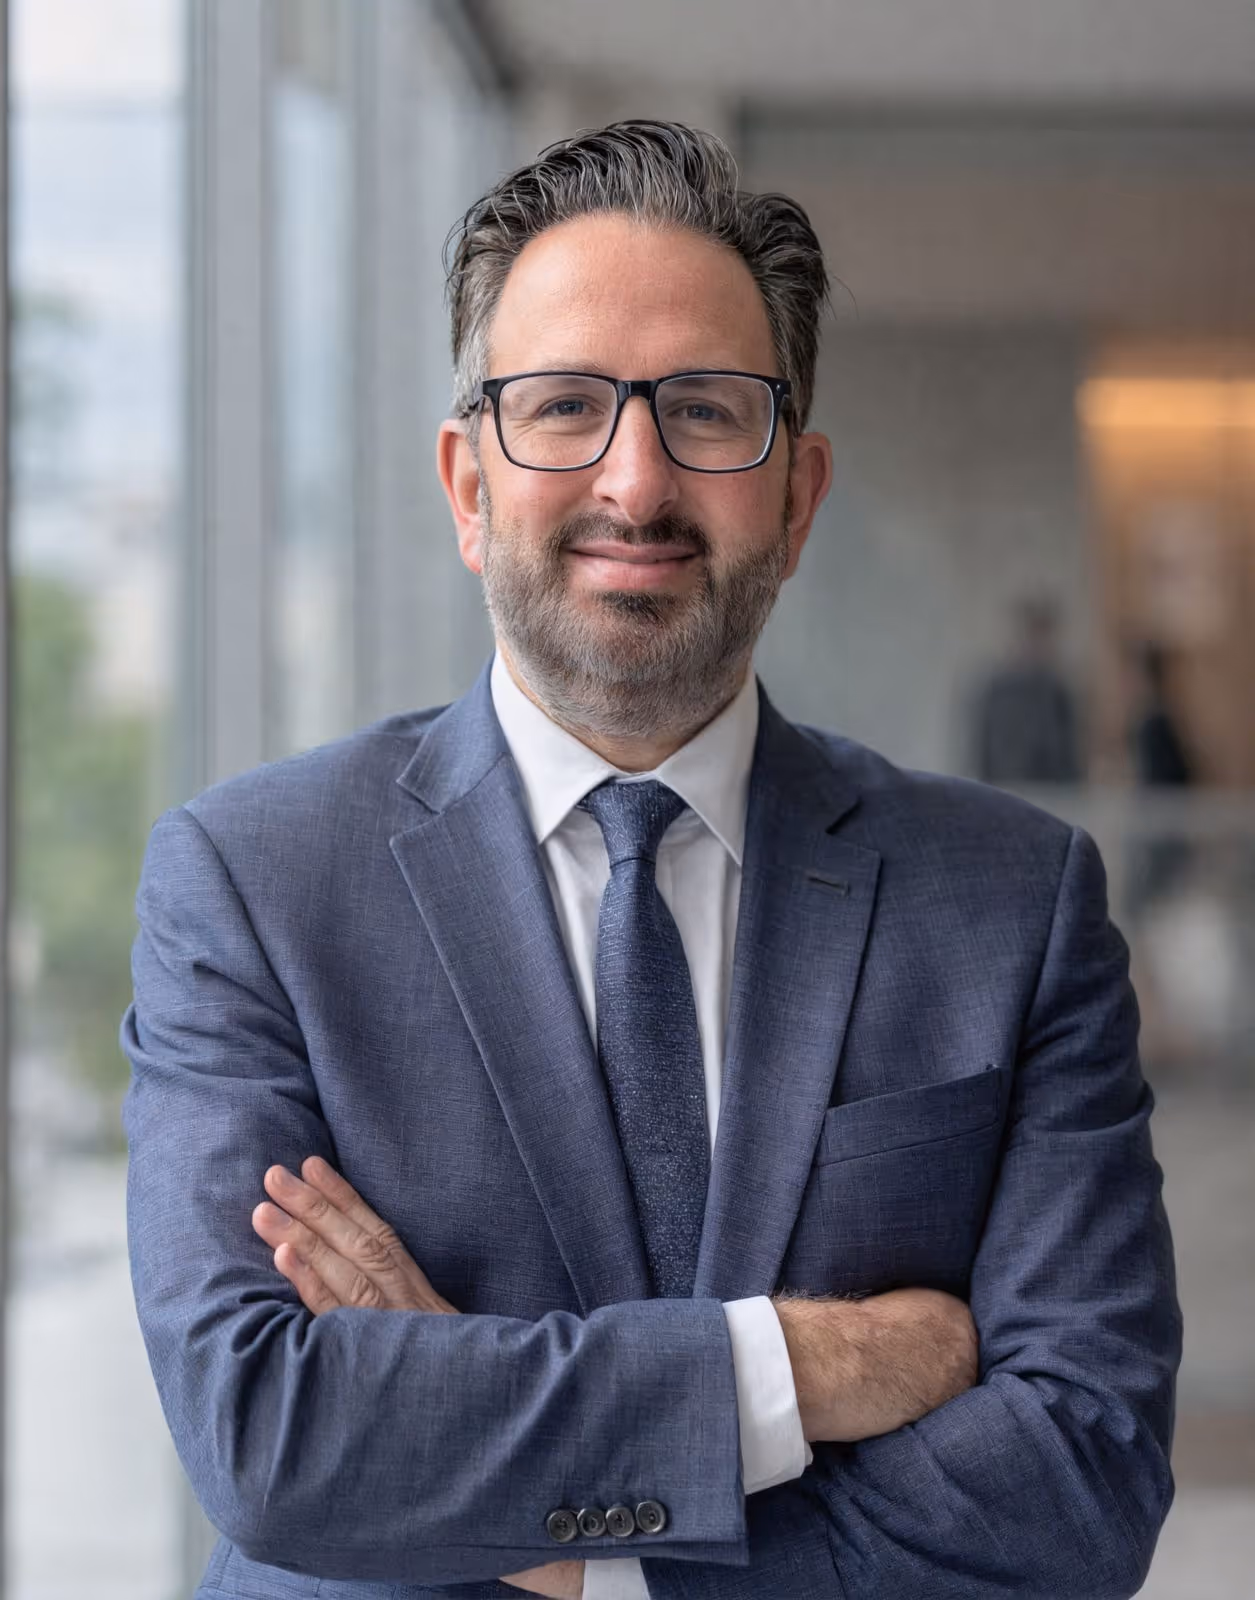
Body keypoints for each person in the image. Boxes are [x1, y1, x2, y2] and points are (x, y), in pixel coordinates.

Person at [120, 121, 1181, 1600]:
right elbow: (271, 1439)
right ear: (467, 486)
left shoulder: (1012, 903)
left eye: (702, 408)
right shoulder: (252, 883)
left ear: (798, 496)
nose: (633, 478)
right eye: (560, 407)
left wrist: (566, 1546)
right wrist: (798, 1364)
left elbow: (1084, 1477)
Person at [972, 596, 1083, 785]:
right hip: (1003, 790)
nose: (1038, 645)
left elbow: (1068, 755)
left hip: (1050, 794)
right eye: (1033, 635)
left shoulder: (1058, 691)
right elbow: (983, 749)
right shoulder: (997, 691)